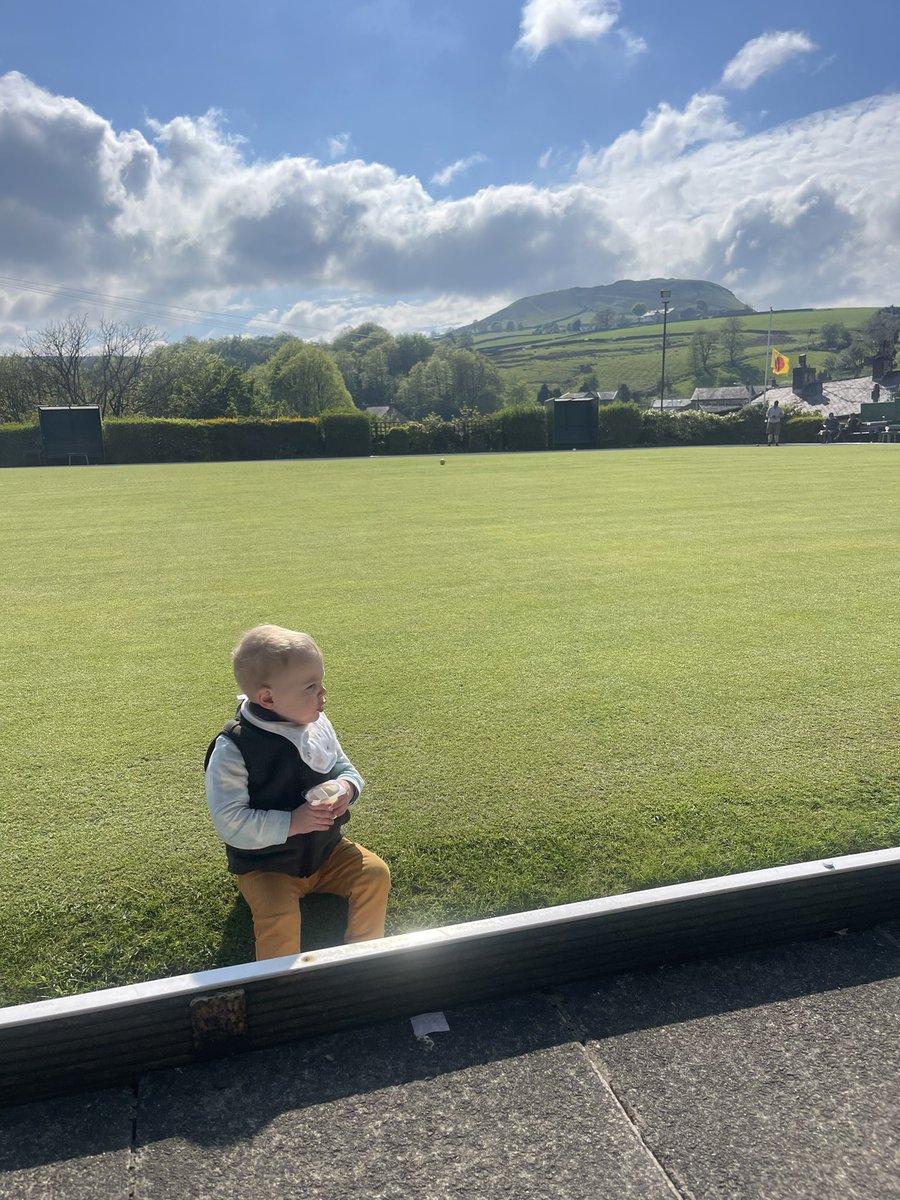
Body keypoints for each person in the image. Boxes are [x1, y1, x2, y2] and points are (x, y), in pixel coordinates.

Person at [205, 624, 390, 960]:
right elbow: (230, 823)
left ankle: (366, 956)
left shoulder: (317, 722)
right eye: (311, 687)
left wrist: (347, 788)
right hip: (267, 865)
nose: (324, 694)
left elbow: (345, 768)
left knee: (374, 874)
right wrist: (293, 821)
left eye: (321, 682)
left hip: (327, 852)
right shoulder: (235, 748)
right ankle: (281, 988)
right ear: (268, 698)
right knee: (280, 916)